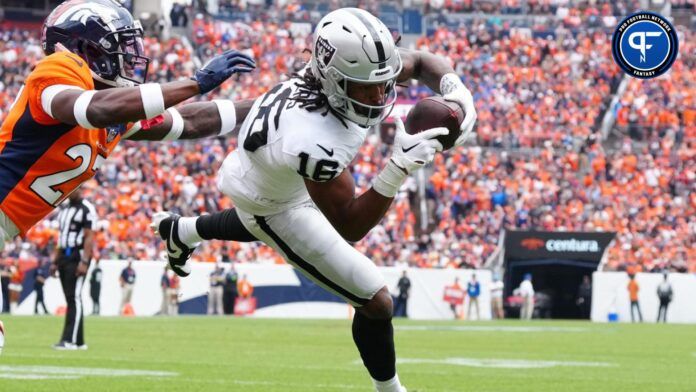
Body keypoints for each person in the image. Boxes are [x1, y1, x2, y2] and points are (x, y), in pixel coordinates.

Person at [152, 8, 476, 391]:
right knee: (376, 301)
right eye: (364, 87)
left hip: (270, 171)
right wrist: (398, 168)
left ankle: (182, 231)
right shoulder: (311, 137)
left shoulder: (345, 71)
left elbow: (422, 61)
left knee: (265, 222)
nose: (378, 94)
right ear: (335, 81)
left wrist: (458, 92)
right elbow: (351, 225)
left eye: (382, 82)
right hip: (270, 197)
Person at [0, 0, 256, 348]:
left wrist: (269, 105)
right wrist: (194, 83)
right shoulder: (59, 69)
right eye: (120, 44)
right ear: (86, 48)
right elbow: (92, 109)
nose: (131, 54)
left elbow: (190, 121)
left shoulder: (115, 107)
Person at [50, 188, 96, 350]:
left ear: (81, 188)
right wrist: (55, 261)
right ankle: (79, 341)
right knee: (72, 298)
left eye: (75, 188)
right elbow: (61, 237)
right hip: (64, 255)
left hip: (78, 255)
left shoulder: (87, 208)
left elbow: (89, 236)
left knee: (74, 297)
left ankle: (69, 340)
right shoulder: (64, 209)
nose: (71, 192)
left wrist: (84, 261)